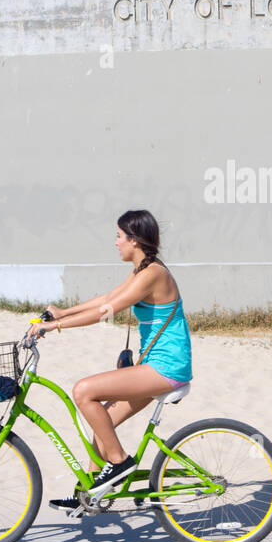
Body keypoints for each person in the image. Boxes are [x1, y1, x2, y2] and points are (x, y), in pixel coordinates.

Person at [25, 209, 192, 510]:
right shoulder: (144, 268)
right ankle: (88, 496)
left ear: (134, 240)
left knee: (83, 391)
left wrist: (53, 326)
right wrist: (63, 312)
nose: (115, 242)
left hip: (165, 368)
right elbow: (107, 299)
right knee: (103, 421)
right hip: (150, 366)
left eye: (119, 236)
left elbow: (106, 312)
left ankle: (119, 462)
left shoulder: (153, 274)